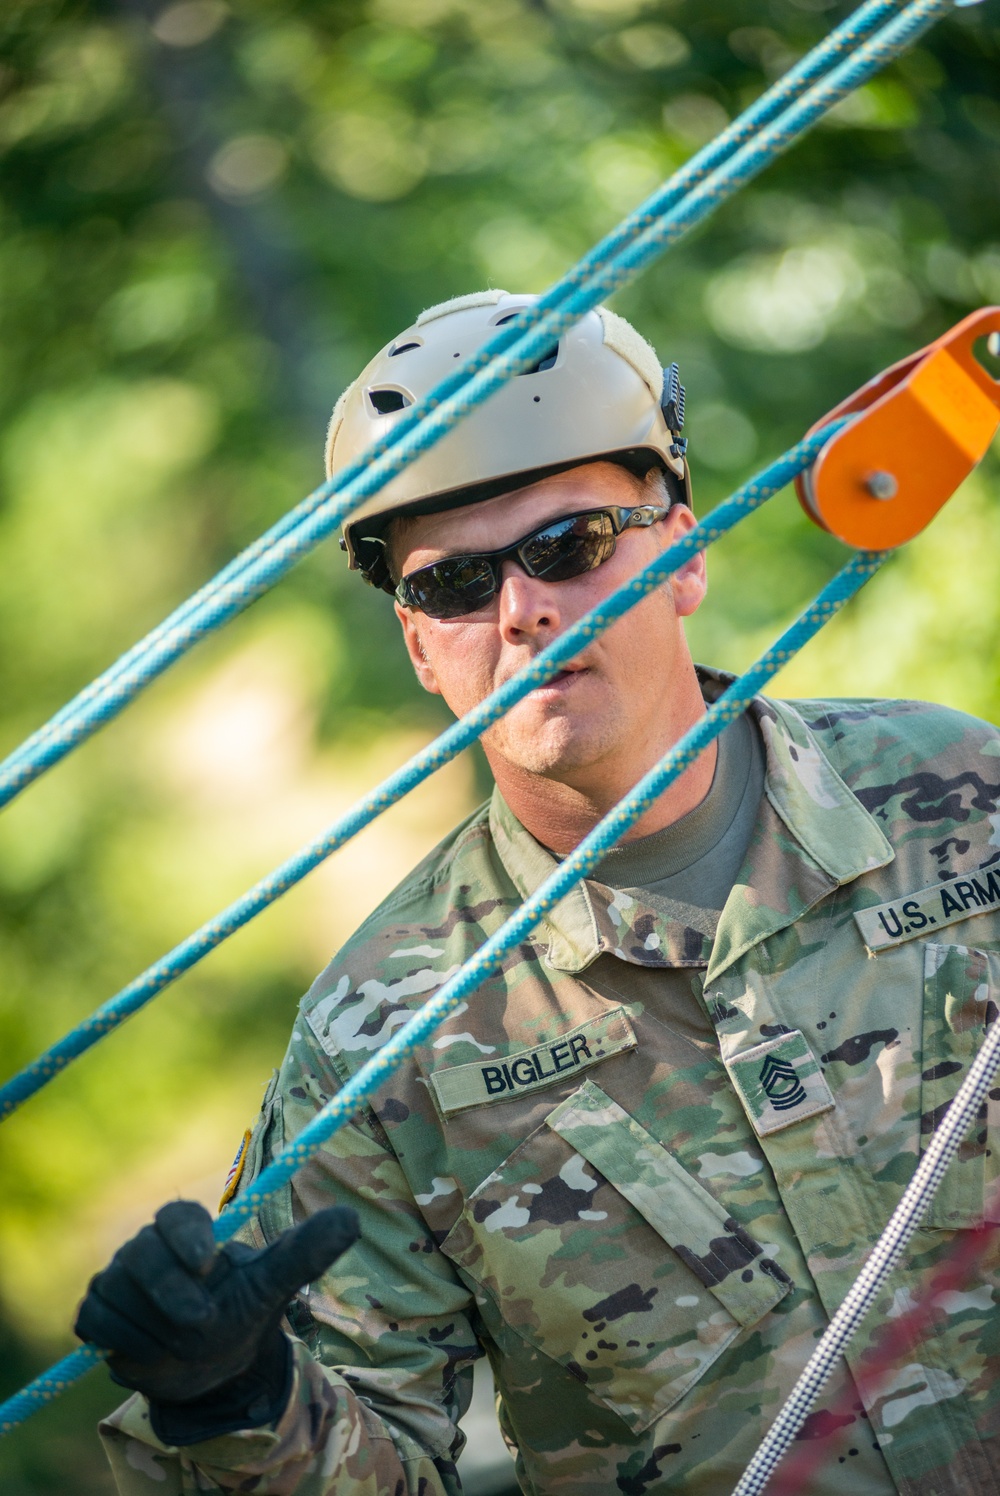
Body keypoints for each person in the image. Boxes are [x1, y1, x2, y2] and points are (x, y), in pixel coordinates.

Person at [78, 291, 1000, 1495]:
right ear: (419, 647)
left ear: (682, 550)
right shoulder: (385, 1035)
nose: (522, 608)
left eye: (567, 546)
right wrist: (236, 1400)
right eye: (455, 584)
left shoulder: (958, 794)